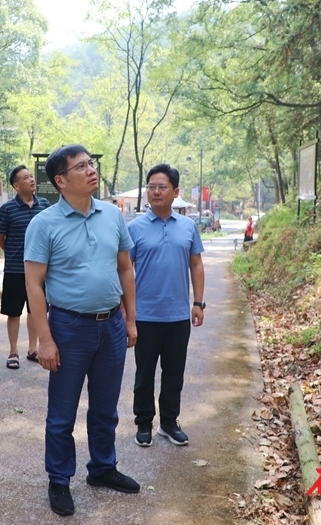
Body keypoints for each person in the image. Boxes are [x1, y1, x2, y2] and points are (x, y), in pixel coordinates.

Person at [24, 144, 140, 517]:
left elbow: (125, 267)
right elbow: (33, 285)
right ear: (60, 180)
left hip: (111, 326)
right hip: (68, 327)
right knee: (62, 413)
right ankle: (59, 479)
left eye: (91, 163)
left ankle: (102, 468)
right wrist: (45, 339)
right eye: (81, 167)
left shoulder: (112, 215)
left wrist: (130, 318)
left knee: (105, 408)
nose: (91, 170)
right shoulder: (44, 224)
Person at [127, 163, 205, 448]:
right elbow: (124, 270)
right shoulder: (134, 228)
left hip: (177, 315)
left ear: (175, 191)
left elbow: (196, 264)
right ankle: (143, 423)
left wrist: (198, 302)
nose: (156, 192)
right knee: (144, 373)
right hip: (145, 315)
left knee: (174, 373)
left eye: (162, 187)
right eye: (151, 187)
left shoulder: (188, 226)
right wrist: (127, 312)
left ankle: (169, 423)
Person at [0, 165, 50, 369]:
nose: (31, 180)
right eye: (26, 178)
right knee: (13, 311)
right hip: (15, 269)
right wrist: (14, 252)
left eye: (31, 176)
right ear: (16, 186)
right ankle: (13, 351)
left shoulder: (44, 205)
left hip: (40, 269)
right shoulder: (8, 209)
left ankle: (32, 349)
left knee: (36, 310)